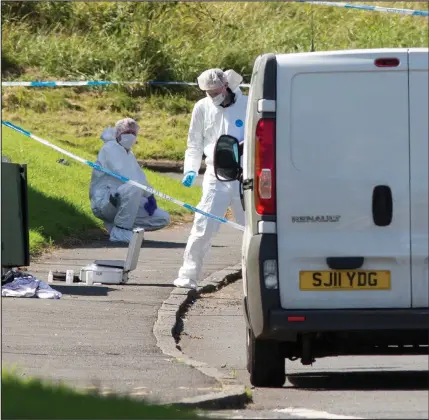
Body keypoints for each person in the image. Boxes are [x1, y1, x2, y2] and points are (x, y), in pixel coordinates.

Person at [173, 68, 248, 289]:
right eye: (208, 93)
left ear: (226, 86)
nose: (212, 96)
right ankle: (188, 275)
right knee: (202, 225)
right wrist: (190, 170)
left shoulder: (246, 105)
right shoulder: (202, 108)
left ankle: (255, 276)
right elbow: (194, 143)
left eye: (215, 91)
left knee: (250, 228)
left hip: (243, 175)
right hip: (215, 176)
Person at [89, 117, 170, 243]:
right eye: (127, 133)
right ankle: (120, 232)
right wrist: (146, 193)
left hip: (121, 200)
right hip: (104, 202)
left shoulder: (129, 154)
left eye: (133, 133)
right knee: (134, 187)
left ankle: (118, 227)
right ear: (117, 134)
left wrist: (150, 196)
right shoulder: (110, 148)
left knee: (162, 218)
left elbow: (140, 176)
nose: (130, 136)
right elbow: (126, 175)